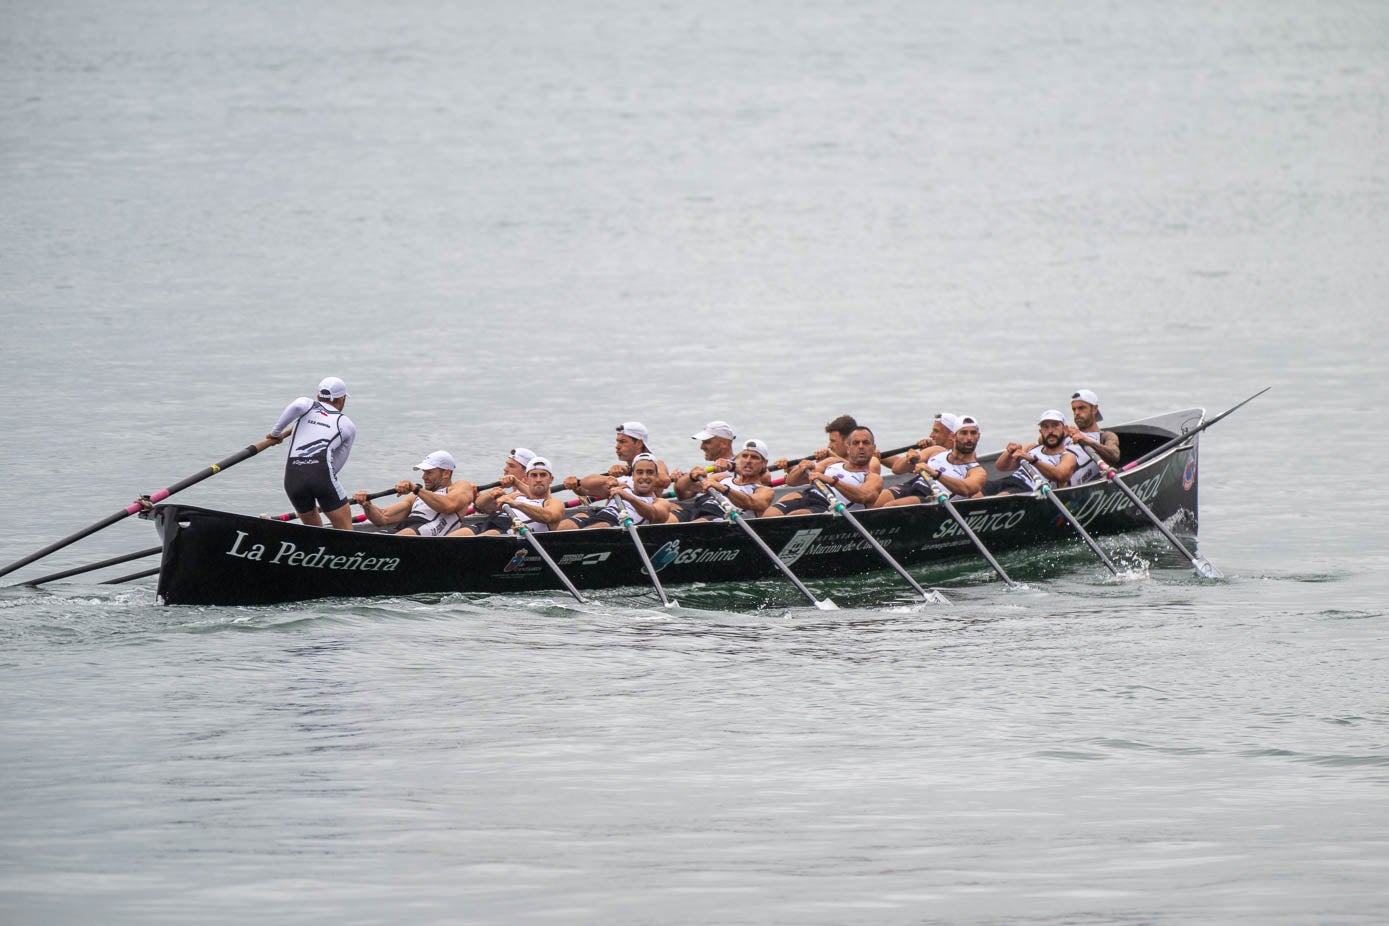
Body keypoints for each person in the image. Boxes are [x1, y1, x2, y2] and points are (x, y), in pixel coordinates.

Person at [266, 376, 357, 530]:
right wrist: (321, 480)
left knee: (314, 532)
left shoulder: (306, 406)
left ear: (318, 396)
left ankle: (317, 551)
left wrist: (275, 433)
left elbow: (296, 405)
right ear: (341, 400)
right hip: (320, 475)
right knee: (346, 530)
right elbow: (336, 464)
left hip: (293, 477)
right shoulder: (347, 425)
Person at [763, 426, 882, 517]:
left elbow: (864, 497)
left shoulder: (872, 477)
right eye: (856, 443)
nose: (861, 446)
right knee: (770, 514)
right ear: (848, 448)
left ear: (873, 448)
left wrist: (832, 481)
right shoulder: (831, 462)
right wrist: (801, 468)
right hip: (808, 496)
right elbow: (791, 481)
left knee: (797, 515)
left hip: (831, 508)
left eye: (866, 443)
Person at [353, 451, 476, 535]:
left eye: (429, 472)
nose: (424, 477)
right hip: (407, 529)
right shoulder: (417, 496)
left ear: (446, 473)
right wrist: (367, 505)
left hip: (427, 534)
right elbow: (382, 518)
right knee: (376, 535)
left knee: (405, 534)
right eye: (424, 472)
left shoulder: (460, 486)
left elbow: (449, 506)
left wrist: (416, 489)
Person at [875, 415, 986, 506]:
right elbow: (897, 469)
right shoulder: (937, 450)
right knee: (879, 499)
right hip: (911, 487)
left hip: (934, 500)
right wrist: (911, 458)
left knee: (892, 506)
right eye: (964, 433)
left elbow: (966, 489)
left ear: (978, 436)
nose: (969, 438)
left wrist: (935, 474)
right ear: (953, 436)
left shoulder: (977, 471)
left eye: (973, 433)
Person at [556, 453, 675, 529]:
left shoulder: (660, 502)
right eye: (639, 472)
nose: (644, 477)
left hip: (618, 526)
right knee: (566, 525)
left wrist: (628, 497)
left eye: (650, 472)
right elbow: (585, 485)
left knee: (601, 526)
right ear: (632, 476)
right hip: (599, 517)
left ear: (656, 477)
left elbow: (654, 514)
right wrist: (607, 479)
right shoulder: (622, 485)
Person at [456, 456, 565, 535]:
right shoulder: (516, 496)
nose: (538, 479)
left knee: (487, 535)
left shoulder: (553, 503)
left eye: (543, 475)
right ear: (526, 479)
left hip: (510, 532)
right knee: (451, 539)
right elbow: (480, 505)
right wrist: (491, 494)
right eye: (534, 475)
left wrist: (516, 504)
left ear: (551, 479)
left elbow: (549, 517)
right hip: (487, 524)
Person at [563, 422, 671, 501]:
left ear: (639, 444)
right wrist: (575, 485)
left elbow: (665, 481)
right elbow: (586, 491)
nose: (617, 447)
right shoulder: (620, 473)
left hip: (646, 514)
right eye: (617, 442)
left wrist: (629, 472)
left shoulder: (657, 464)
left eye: (623, 442)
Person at [989, 410, 1084, 494]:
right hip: (1010, 481)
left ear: (1064, 429)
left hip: (1030, 490)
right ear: (1041, 431)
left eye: (1055, 426)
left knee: (1003, 495)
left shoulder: (1067, 456)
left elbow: (1061, 475)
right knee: (979, 491)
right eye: (1045, 427)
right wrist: (1008, 452)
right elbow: (1001, 467)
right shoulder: (1031, 447)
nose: (1050, 431)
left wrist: (1033, 461)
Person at [688, 440, 777, 520]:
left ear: (764, 463)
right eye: (745, 456)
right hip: (698, 510)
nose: (748, 460)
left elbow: (753, 502)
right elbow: (685, 491)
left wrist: (723, 488)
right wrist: (690, 477)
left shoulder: (764, 490)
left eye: (754, 457)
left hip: (722, 519)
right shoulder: (722, 477)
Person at [466, 448, 538, 533]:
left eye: (511, 466)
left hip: (507, 528)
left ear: (527, 472)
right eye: (507, 465)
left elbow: (486, 507)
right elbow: (481, 507)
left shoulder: (533, 496)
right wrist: (477, 495)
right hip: (490, 524)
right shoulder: (510, 494)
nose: (505, 469)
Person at [670, 420, 737, 501]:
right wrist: (679, 479)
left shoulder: (739, 468)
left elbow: (687, 488)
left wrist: (686, 479)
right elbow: (683, 497)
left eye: (706, 442)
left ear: (724, 443)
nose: (701, 447)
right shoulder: (709, 471)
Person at [1067, 389, 1121, 483]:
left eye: (1081, 408)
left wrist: (1086, 440)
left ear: (1094, 409)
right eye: (1074, 409)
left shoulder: (1105, 436)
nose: (1076, 413)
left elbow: (1115, 455)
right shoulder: (1069, 434)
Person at [881, 412, 958, 472]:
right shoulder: (934, 452)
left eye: (936, 431)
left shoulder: (960, 457)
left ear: (951, 435)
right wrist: (925, 452)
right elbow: (898, 467)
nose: (931, 435)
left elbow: (899, 469)